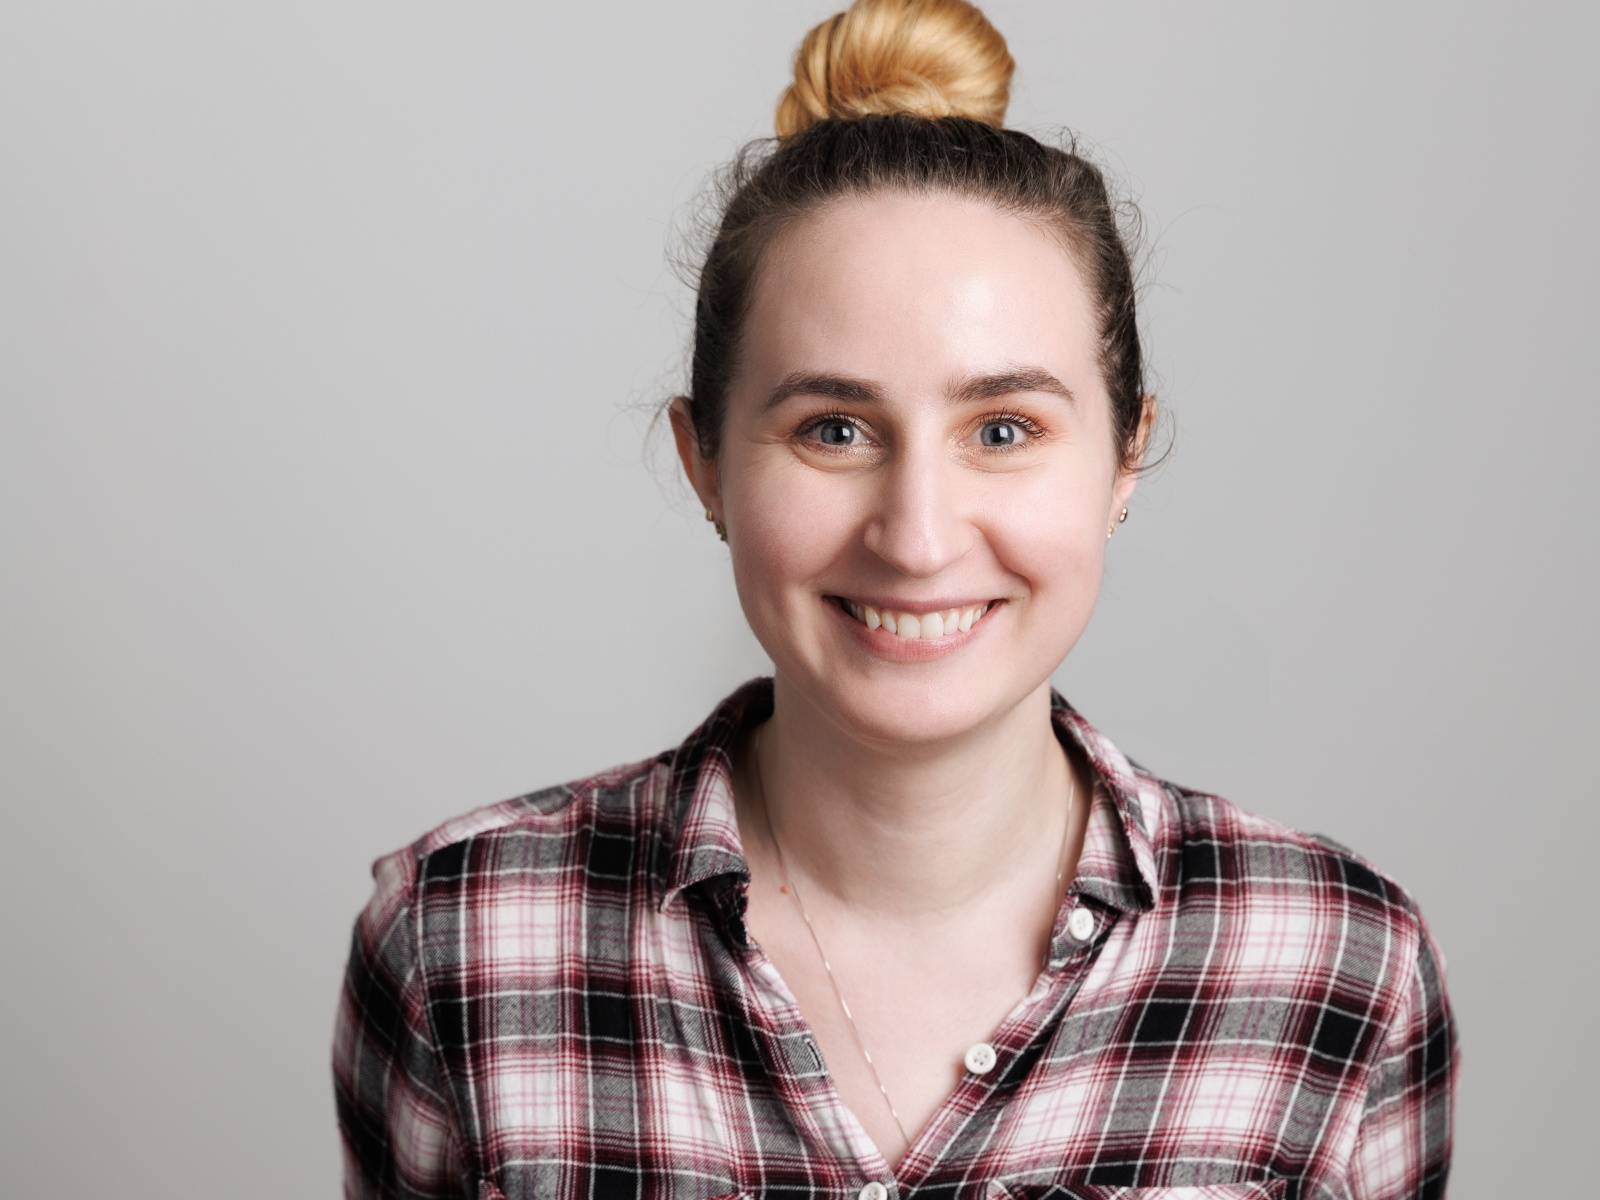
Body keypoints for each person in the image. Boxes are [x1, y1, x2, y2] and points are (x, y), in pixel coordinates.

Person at [333, 2, 1457, 1197]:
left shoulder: (1340, 969)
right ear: (705, 459)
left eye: (1004, 428)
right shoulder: (458, 944)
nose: (917, 537)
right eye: (834, 428)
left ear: (1124, 459)